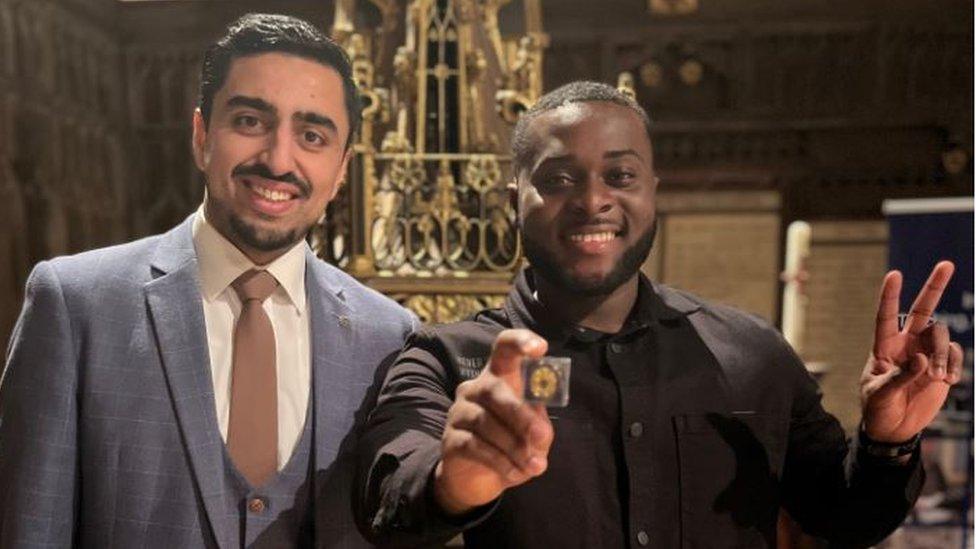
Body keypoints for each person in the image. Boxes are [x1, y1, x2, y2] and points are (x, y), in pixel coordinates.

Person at [355, 81, 964, 548]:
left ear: (652, 192)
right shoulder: (445, 358)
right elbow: (387, 504)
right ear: (515, 202)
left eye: (620, 175)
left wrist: (889, 439)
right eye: (560, 178)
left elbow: (845, 517)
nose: (594, 200)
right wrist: (456, 478)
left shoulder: (751, 353)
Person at [0, 13, 416, 548]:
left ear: (341, 170)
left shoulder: (389, 335)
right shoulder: (75, 305)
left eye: (312, 135)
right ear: (202, 136)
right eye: (250, 122)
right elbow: (27, 530)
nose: (277, 159)